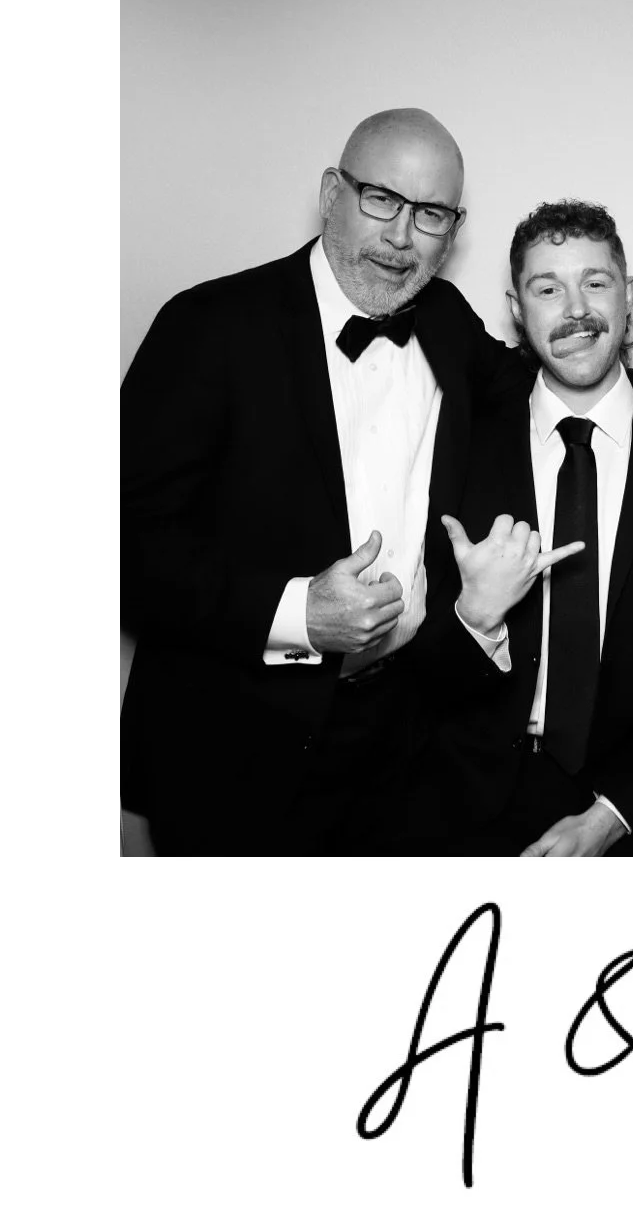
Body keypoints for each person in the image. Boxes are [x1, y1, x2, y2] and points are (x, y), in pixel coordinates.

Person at [121, 110, 514, 853]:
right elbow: (120, 543)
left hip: (399, 745)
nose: (401, 237)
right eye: (381, 199)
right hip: (231, 749)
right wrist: (298, 613)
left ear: (454, 229)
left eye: (430, 213)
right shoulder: (208, 326)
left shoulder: (448, 322)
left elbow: (527, 384)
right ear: (332, 191)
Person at [423, 206, 633, 853]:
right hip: (472, 810)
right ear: (515, 307)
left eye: (597, 282)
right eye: (547, 288)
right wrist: (476, 616)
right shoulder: (462, 445)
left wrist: (617, 811)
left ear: (629, 294)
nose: (575, 308)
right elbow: (409, 675)